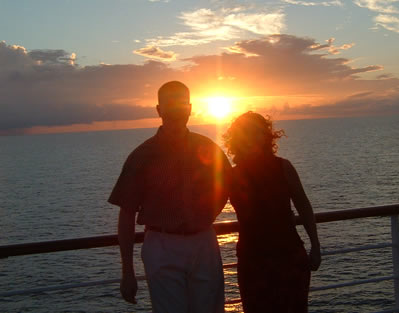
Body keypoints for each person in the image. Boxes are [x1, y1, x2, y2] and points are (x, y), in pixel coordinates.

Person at [108, 81, 231, 313]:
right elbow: (126, 213)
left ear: (190, 108)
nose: (176, 109)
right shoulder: (142, 156)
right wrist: (127, 271)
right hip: (162, 245)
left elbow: (229, 187)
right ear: (159, 110)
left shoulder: (208, 148)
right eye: (170, 104)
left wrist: (206, 214)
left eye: (181, 104)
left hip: (203, 241)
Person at [223, 111, 321, 313]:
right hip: (254, 261)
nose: (251, 137)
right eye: (246, 133)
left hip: (289, 257)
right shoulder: (231, 176)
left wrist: (316, 245)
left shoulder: (283, 167)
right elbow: (208, 205)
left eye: (255, 132)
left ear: (266, 136)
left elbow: (303, 205)